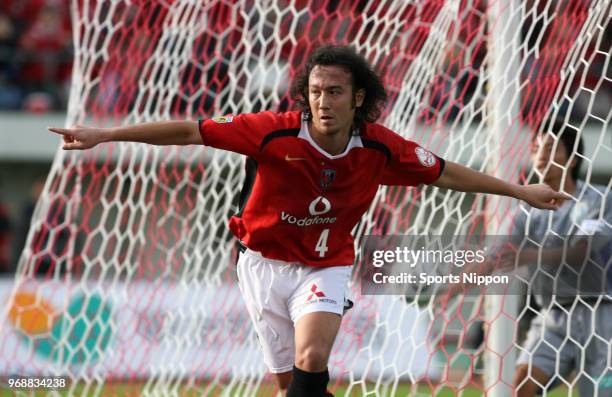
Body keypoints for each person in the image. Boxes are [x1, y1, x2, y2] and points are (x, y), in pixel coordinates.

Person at [49, 45, 569, 397]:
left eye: (335, 91)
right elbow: (190, 131)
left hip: (327, 265)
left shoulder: (381, 147)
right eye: (316, 91)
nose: (323, 100)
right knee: (288, 385)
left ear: (358, 97)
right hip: (261, 264)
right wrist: (106, 134)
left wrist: (519, 190)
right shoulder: (273, 132)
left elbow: (446, 174)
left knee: (314, 352)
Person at [507, 121, 612, 397]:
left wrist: (529, 254)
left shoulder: (599, 199)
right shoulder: (527, 213)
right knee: (522, 387)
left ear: (573, 158)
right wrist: (449, 289)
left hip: (600, 316)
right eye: (536, 147)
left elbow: (581, 252)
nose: (541, 153)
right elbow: (499, 255)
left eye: (551, 147)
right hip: (552, 317)